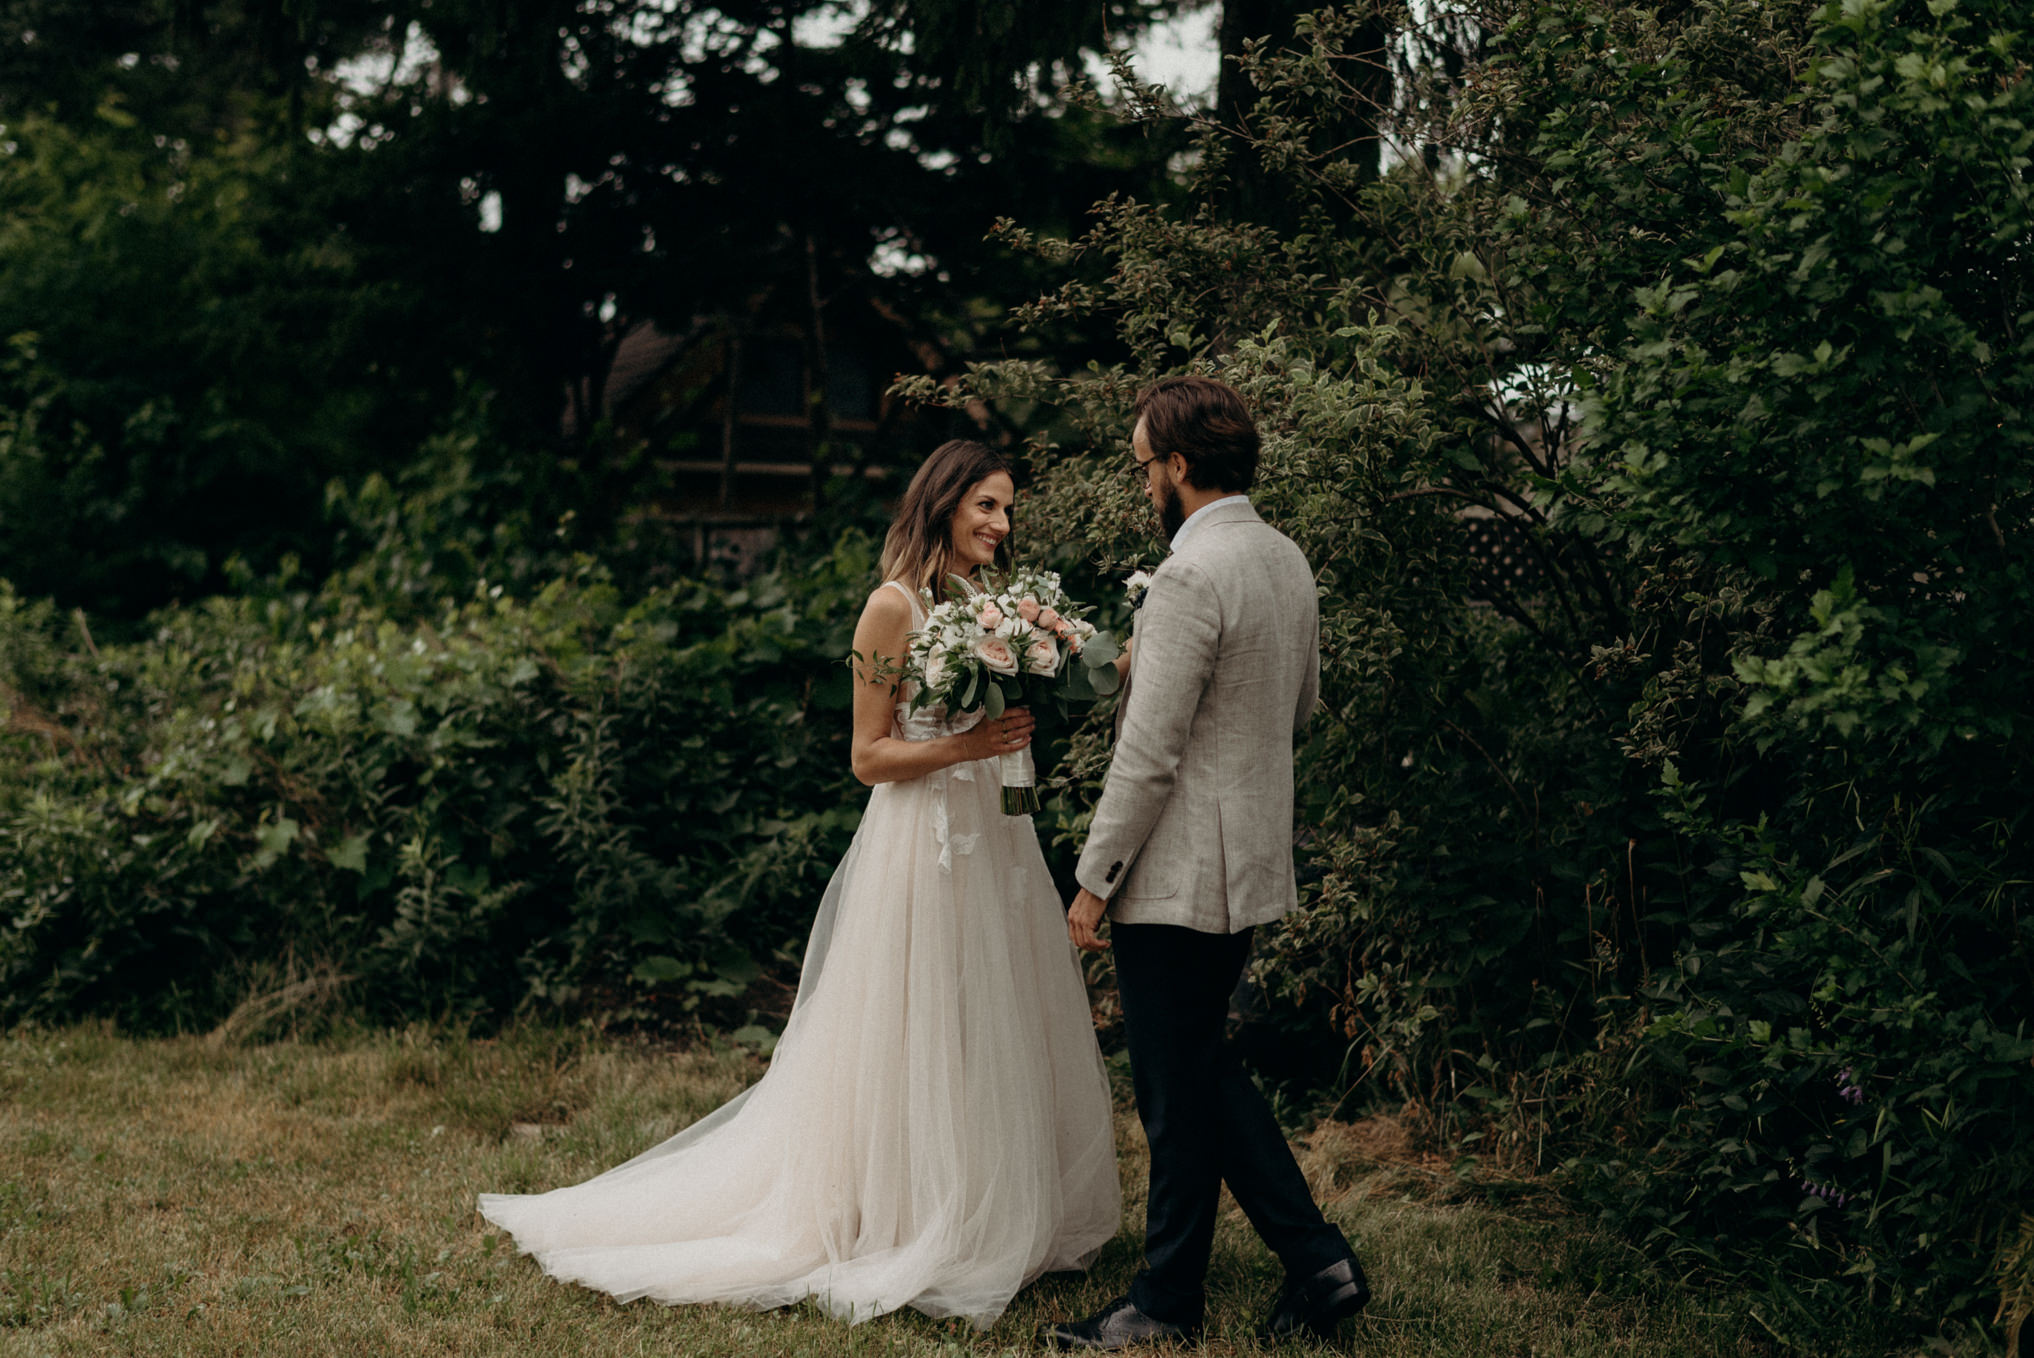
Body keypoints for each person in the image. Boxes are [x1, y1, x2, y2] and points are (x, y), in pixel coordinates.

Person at [478, 439, 1119, 1328]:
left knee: (992, 1015)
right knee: (919, 1017)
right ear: (941, 505)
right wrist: (967, 747)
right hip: (920, 842)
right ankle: (899, 1213)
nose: (1001, 525)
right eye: (986, 507)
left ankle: (991, 1205)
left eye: (1008, 509)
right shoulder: (889, 610)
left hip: (994, 836)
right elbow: (867, 756)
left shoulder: (990, 605)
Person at [1046, 377, 1371, 1350]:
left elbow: (1149, 754)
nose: (1143, 481)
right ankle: (1284, 1269)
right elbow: (1301, 705)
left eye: (1144, 464)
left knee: (1176, 1080)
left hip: (1181, 872)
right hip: (1253, 859)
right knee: (1198, 1070)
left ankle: (1194, 1293)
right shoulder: (1285, 557)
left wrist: (1093, 879)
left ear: (1179, 467)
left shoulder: (1190, 576)